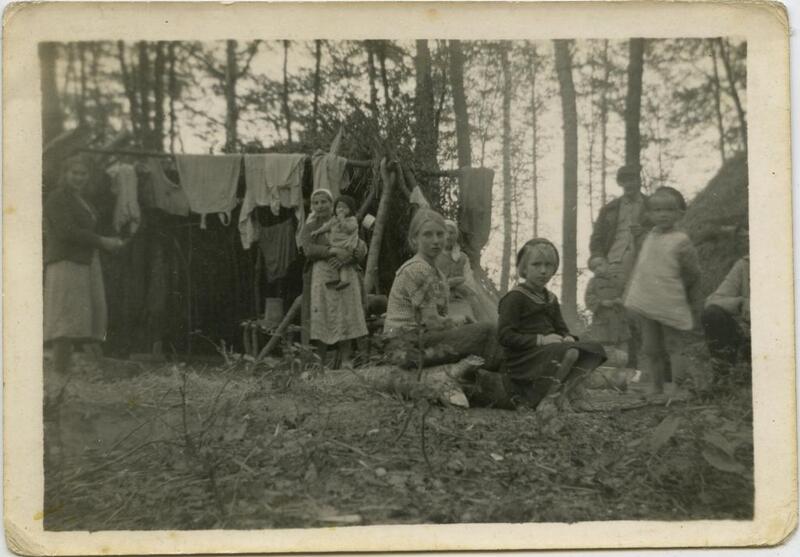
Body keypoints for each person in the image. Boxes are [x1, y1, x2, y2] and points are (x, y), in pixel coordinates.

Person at [383, 209, 503, 372]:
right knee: (487, 331)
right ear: (414, 239)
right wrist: (457, 322)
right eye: (427, 235)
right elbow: (431, 322)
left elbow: (435, 319)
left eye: (440, 234)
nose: (436, 241)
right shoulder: (418, 269)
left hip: (419, 340)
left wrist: (457, 322)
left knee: (483, 333)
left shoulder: (435, 271)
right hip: (404, 346)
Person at [498, 239, 606, 409]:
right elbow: (504, 336)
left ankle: (565, 393)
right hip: (524, 356)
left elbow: (561, 328)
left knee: (595, 349)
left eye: (548, 265)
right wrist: (541, 340)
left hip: (550, 350)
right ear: (524, 268)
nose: (543, 271)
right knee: (570, 353)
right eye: (536, 265)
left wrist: (568, 337)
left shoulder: (551, 298)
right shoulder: (515, 297)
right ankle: (548, 399)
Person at [44, 155, 125, 379]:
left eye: (83, 173)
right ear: (65, 174)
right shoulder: (57, 198)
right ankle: (59, 375)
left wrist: (106, 241)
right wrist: (102, 241)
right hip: (65, 262)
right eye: (74, 173)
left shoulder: (82, 200)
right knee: (64, 320)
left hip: (85, 261)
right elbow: (66, 231)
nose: (79, 177)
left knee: (82, 320)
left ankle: (76, 373)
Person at [624, 187, 702, 398]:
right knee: (651, 347)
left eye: (669, 210)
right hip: (648, 303)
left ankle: (678, 385)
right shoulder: (649, 238)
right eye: (657, 210)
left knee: (675, 345)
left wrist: (674, 290)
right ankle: (656, 386)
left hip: (671, 301)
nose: (663, 214)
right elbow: (644, 269)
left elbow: (692, 273)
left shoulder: (681, 241)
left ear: (679, 213)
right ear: (649, 214)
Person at [589, 164, 651, 366]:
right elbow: (597, 239)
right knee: (619, 311)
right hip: (614, 263)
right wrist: (598, 259)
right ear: (620, 183)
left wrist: (643, 233)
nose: (629, 184)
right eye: (625, 180)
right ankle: (624, 365)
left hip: (643, 262)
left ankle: (647, 364)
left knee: (641, 311)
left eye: (633, 179)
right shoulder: (610, 208)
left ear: (639, 180)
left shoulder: (651, 206)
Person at [298, 188, 368, 366]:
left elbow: (361, 247)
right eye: (316, 202)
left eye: (324, 202)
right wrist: (331, 251)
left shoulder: (346, 221)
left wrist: (347, 258)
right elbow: (308, 249)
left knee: (345, 314)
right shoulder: (310, 226)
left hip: (345, 273)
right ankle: (320, 361)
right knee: (322, 315)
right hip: (321, 275)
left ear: (332, 204)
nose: (320, 206)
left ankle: (346, 358)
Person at [702, 224, 750, 376]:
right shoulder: (745, 264)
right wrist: (741, 302)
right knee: (712, 314)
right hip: (751, 333)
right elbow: (713, 300)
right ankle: (724, 376)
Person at [584, 255, 630, 365]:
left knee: (623, 348)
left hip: (620, 321)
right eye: (594, 268)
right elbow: (588, 298)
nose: (598, 269)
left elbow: (627, 293)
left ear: (607, 264)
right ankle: (608, 372)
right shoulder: (593, 282)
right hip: (603, 323)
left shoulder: (618, 280)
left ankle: (622, 373)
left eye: (600, 265)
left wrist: (622, 300)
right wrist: (601, 303)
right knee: (606, 350)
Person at [311, 195, 359, 290]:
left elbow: (349, 230)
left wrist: (342, 220)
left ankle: (344, 280)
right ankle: (339, 279)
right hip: (335, 248)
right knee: (337, 262)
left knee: (342, 264)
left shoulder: (352, 220)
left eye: (344, 207)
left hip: (346, 246)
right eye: (338, 207)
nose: (341, 210)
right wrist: (317, 232)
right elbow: (327, 227)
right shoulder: (334, 220)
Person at [435, 219, 477, 324]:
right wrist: (451, 282)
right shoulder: (433, 256)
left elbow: (470, 285)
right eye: (445, 232)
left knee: (469, 324)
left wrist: (458, 285)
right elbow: (429, 283)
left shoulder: (462, 258)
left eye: (452, 233)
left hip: (460, 301)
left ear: (456, 236)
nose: (448, 236)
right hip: (438, 303)